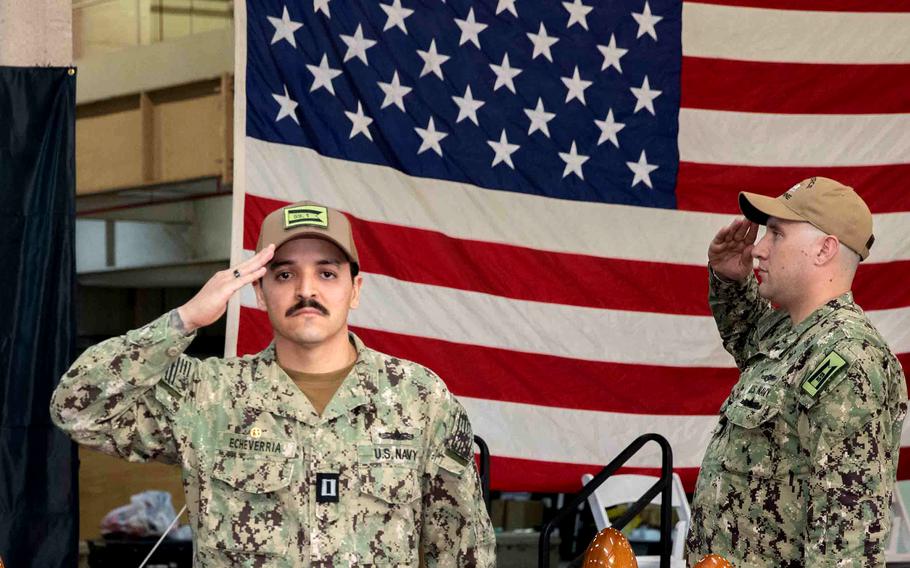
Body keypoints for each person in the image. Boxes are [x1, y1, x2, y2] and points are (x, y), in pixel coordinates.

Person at [51, 200, 496, 567]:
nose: (307, 290)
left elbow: (462, 549)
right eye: (284, 275)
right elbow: (75, 408)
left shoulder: (418, 399)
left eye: (327, 273)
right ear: (259, 292)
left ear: (354, 290)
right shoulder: (210, 397)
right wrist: (184, 319)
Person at [685, 177, 907, 566]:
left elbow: (845, 535)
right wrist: (730, 279)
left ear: (825, 249)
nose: (757, 249)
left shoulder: (850, 358)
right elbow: (748, 338)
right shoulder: (790, 330)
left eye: (776, 234)